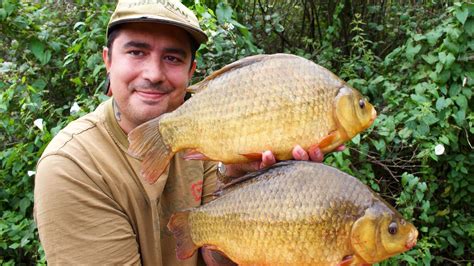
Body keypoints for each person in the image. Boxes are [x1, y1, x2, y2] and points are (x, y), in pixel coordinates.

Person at [33, 0, 342, 265]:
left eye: (172, 58)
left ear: (191, 71)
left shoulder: (207, 138)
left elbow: (213, 256)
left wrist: (241, 176)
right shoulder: (72, 166)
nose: (154, 74)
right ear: (108, 61)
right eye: (137, 52)